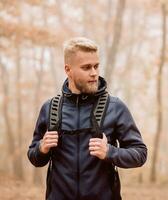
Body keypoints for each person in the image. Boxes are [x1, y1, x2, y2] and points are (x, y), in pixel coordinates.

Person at [27, 37, 147, 200]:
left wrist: (110, 152)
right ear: (68, 70)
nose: (94, 73)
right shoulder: (49, 108)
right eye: (86, 67)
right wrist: (41, 148)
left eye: (96, 66)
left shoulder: (115, 107)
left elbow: (140, 154)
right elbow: (35, 158)